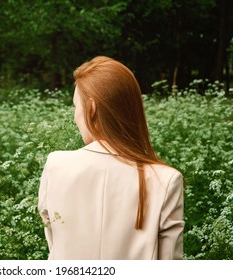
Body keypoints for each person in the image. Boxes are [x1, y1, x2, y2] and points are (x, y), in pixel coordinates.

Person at [38, 56, 184, 260]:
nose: (74, 116)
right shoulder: (166, 180)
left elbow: (56, 247)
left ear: (91, 108)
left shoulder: (56, 166)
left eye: (75, 106)